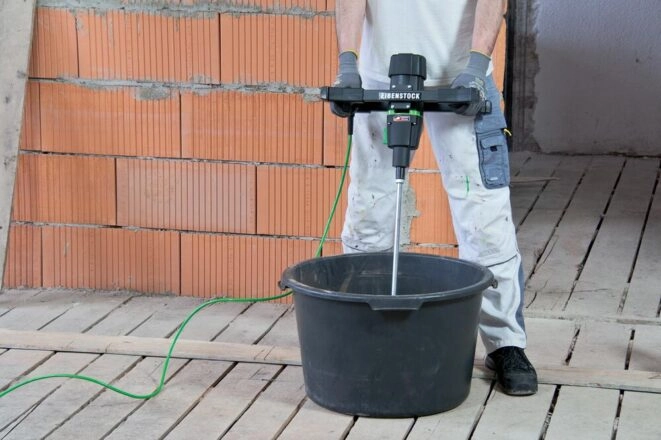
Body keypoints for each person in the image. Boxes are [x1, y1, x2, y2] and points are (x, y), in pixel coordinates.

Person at [331, 0, 538, 396]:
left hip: (462, 76)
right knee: (368, 213)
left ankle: (505, 344)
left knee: (484, 217)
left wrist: (477, 65)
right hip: (379, 78)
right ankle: (365, 332)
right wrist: (347, 63)